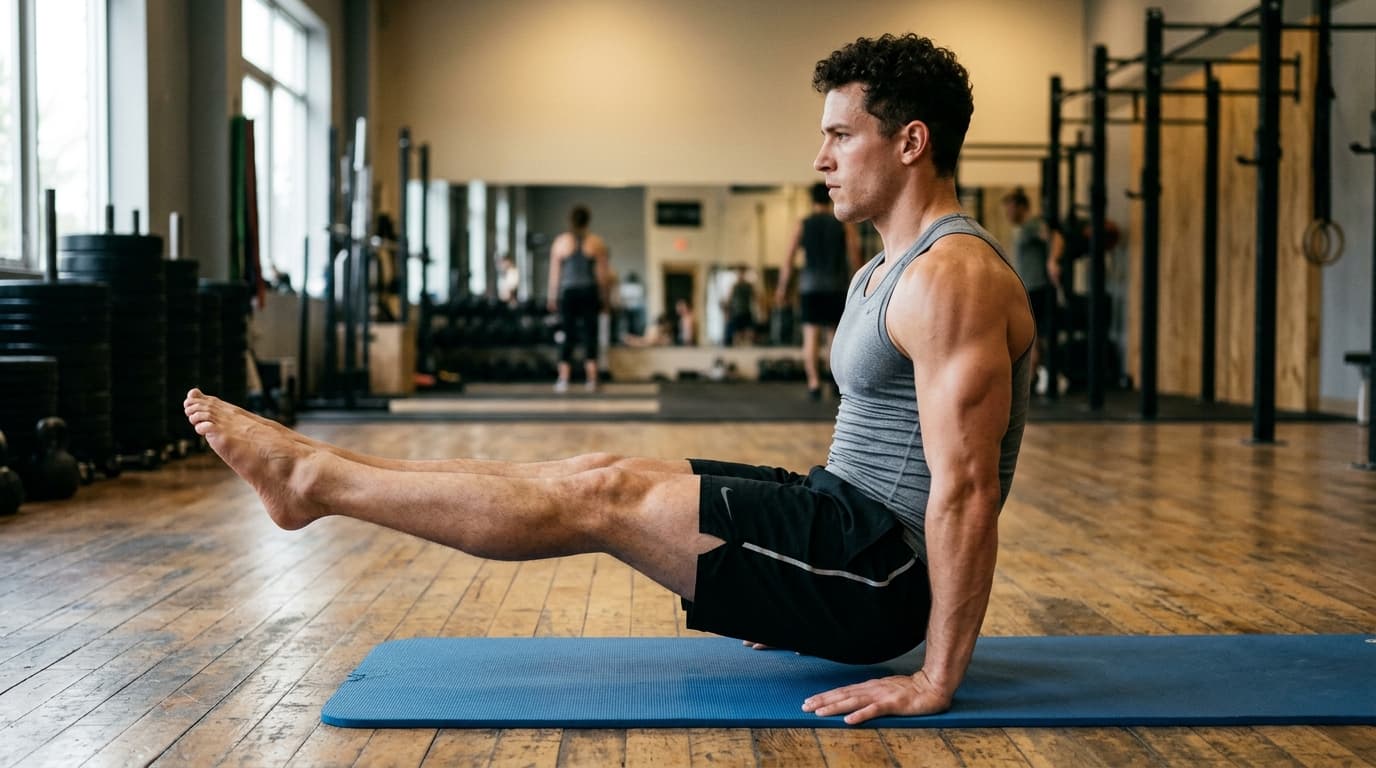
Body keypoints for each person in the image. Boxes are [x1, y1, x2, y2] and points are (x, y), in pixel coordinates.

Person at [184, 32, 1033, 725]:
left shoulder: (950, 276)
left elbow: (962, 494)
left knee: (608, 501)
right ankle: (317, 470)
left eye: (842, 135)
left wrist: (935, 677)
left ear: (911, 141)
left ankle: (312, 482)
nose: (821, 158)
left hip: (883, 577)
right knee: (593, 470)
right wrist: (790, 588)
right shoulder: (879, 270)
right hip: (841, 534)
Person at [777, 181, 862, 399]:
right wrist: (862, 286)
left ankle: (814, 383)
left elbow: (788, 260)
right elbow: (855, 256)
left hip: (810, 286)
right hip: (837, 285)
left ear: (811, 200)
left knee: (811, 336)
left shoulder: (803, 224)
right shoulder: (843, 224)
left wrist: (782, 288)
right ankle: (835, 381)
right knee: (834, 336)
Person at [546, 205, 610, 392]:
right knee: (590, 335)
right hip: (588, 292)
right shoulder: (596, 242)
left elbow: (555, 274)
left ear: (570, 220)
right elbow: (602, 276)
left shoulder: (561, 242)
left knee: (568, 334)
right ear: (588, 220)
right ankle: (592, 379)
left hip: (569, 293)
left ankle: (563, 379)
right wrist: (605, 299)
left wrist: (552, 297)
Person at [1000, 188, 1054, 394]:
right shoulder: (1024, 228)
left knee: (1033, 337)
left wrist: (1053, 261)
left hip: (1037, 290)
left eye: (1010, 208)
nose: (1008, 214)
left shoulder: (1032, 225)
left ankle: (1031, 380)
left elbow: (1053, 236)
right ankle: (1032, 378)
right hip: (1028, 290)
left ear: (1021, 207)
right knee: (1031, 337)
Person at [721, 266, 757, 346]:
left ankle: (749, 347)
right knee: (736, 334)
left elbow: (755, 298)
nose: (740, 275)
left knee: (750, 333)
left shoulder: (749, 286)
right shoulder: (734, 286)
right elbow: (729, 300)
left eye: (742, 273)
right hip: (736, 313)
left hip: (746, 312)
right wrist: (726, 311)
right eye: (739, 273)